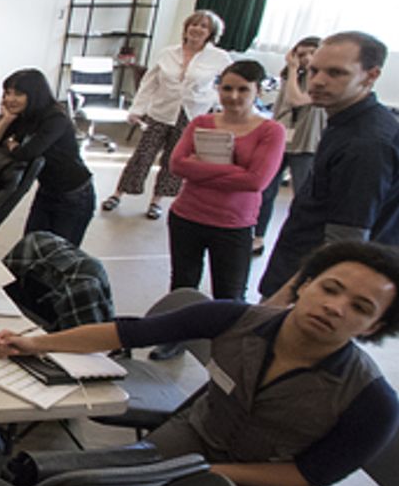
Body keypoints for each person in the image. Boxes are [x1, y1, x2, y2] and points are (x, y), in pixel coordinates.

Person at [0, 240, 399, 486]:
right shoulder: (234, 318)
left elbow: (307, 474)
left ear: (374, 328)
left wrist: (203, 471)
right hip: (198, 434)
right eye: (330, 289)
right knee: (98, 479)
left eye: (361, 307)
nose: (336, 307)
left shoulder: (372, 402)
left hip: (265, 482)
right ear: (305, 285)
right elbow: (129, 330)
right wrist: (36, 343)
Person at [260, 31, 399, 299]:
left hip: (313, 287)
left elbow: (346, 242)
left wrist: (289, 296)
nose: (318, 81)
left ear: (371, 75)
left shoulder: (365, 143)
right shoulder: (345, 123)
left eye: (336, 73)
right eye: (314, 71)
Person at [165, 60, 285, 300]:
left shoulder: (271, 131)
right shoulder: (201, 123)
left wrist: (199, 168)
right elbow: (176, 165)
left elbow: (255, 182)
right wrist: (235, 170)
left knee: (229, 294)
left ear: (258, 91)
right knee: (182, 287)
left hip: (233, 225)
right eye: (227, 88)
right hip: (187, 217)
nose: (233, 96)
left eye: (243, 90)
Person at [100, 10, 232, 220]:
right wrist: (137, 110)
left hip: (190, 114)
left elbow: (228, 86)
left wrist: (211, 101)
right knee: (142, 155)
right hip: (161, 111)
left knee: (173, 159)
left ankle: (157, 201)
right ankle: (118, 194)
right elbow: (149, 82)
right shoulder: (168, 53)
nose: (197, 29)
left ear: (211, 33)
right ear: (187, 27)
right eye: (194, 24)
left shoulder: (220, 58)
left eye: (204, 26)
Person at [0, 68, 95, 246]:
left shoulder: (56, 118)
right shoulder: (25, 117)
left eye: (17, 94)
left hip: (74, 194)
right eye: (7, 93)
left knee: (59, 254)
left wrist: (12, 145)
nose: (10, 99)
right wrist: (7, 120)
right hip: (47, 190)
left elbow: (27, 153)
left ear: (34, 94)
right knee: (32, 247)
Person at [255, 36, 326, 256]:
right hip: (282, 139)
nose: (304, 58)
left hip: (306, 142)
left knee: (303, 195)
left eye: (310, 53)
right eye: (300, 54)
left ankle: (299, 242)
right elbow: (281, 106)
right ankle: (258, 237)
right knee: (266, 191)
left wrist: (294, 69)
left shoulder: (320, 81)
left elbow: (297, 100)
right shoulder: (290, 77)